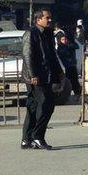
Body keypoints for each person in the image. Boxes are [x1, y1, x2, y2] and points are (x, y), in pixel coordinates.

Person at [21, 9, 64, 150]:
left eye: (50, 18)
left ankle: (26, 140)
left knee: (33, 107)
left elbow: (52, 55)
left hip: (47, 75)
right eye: (47, 18)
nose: (50, 20)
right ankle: (38, 136)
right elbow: (28, 55)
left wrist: (59, 71)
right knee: (47, 104)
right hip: (35, 77)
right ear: (38, 19)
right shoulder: (31, 33)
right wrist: (33, 75)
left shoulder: (48, 33)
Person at [56, 33, 82, 99]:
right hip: (66, 66)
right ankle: (68, 94)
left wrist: (71, 41)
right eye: (62, 39)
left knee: (74, 80)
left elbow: (76, 46)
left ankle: (77, 93)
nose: (64, 41)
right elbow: (63, 54)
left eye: (65, 39)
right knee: (68, 81)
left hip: (72, 65)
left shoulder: (70, 45)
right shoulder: (60, 47)